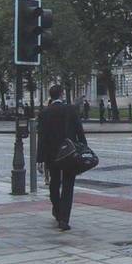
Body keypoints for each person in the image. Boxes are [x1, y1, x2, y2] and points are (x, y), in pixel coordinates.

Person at [36, 85, 85, 231]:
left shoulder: (44, 113)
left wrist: (40, 158)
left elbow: (42, 137)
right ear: (62, 94)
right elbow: (79, 131)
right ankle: (64, 218)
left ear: (51, 96)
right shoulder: (71, 110)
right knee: (68, 185)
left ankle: (57, 210)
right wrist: (83, 149)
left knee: (54, 183)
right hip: (69, 153)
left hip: (52, 154)